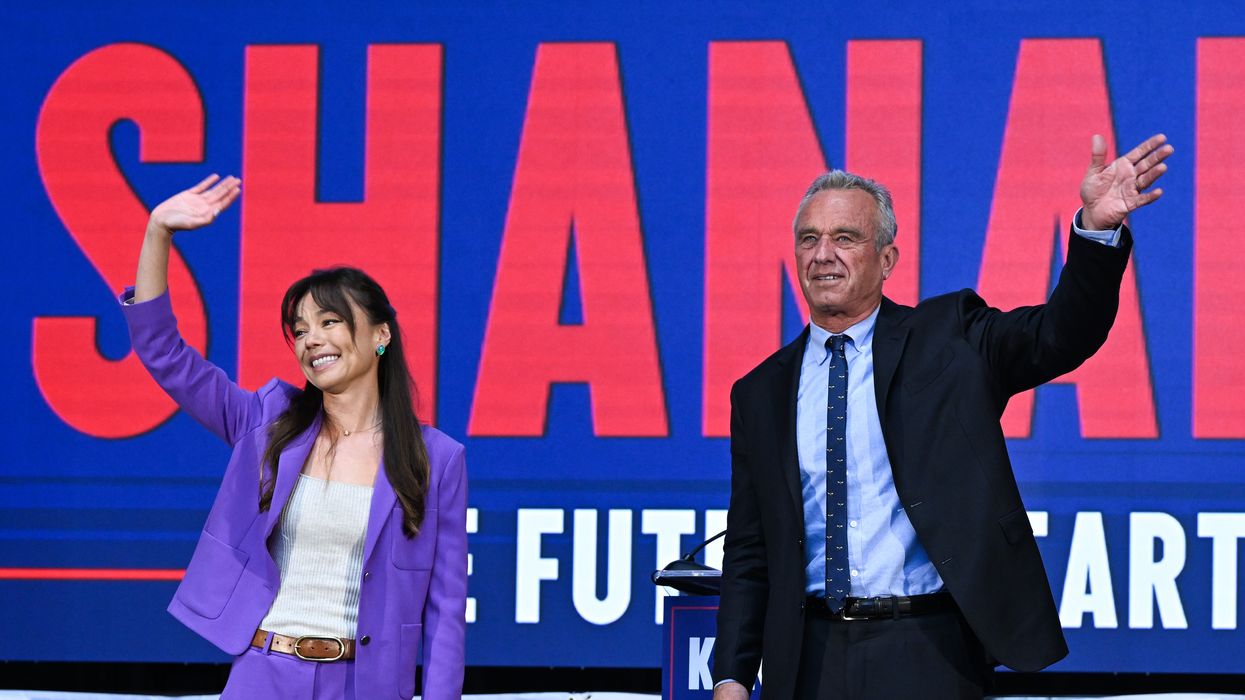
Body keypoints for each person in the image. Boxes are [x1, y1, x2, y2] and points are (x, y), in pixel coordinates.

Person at [712, 134, 1173, 700]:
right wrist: (731, 675)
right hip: (809, 658)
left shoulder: (949, 337)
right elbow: (750, 549)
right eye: (809, 238)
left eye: (845, 238)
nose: (823, 254)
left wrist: (1095, 233)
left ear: (887, 260)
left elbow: (1060, 335)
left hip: (928, 648)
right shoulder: (760, 392)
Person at [120, 175, 466, 700]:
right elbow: (163, 353)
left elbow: (445, 612)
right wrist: (157, 232)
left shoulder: (436, 459)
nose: (311, 340)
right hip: (263, 675)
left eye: (329, 322)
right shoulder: (267, 423)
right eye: (300, 330)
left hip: (364, 686)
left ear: (381, 334)